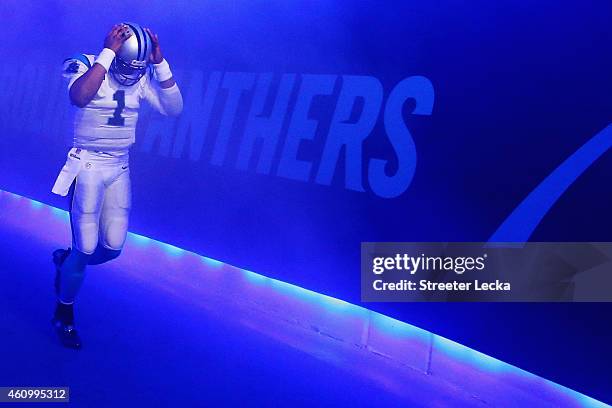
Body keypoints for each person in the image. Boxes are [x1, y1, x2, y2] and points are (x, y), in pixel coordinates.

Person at [50, 23, 183, 349]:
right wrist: (108, 54)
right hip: (89, 166)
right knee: (85, 247)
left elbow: (173, 108)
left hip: (120, 166)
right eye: (127, 65)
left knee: (111, 248)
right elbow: (80, 97)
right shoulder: (84, 62)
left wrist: (159, 63)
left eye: (136, 67)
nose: (131, 73)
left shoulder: (141, 76)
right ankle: (64, 312)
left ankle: (67, 263)